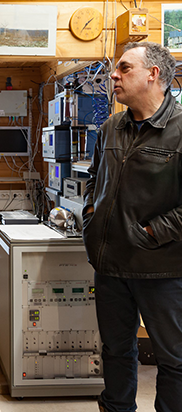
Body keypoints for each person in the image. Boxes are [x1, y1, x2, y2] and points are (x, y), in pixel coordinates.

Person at [82, 41, 182, 412]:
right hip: (110, 266)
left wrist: (152, 232)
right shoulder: (111, 127)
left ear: (153, 75)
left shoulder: (181, 130)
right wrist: (91, 215)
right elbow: (95, 177)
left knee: (175, 360)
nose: (113, 75)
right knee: (115, 352)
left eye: (124, 68)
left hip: (162, 270)